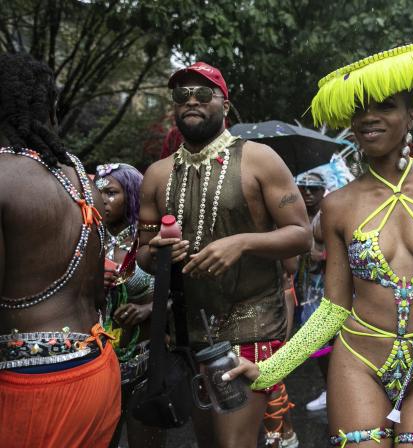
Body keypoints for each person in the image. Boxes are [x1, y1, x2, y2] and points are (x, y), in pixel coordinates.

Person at [224, 42, 413, 446]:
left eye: (384, 106)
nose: (368, 118)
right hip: (358, 362)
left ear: (410, 115)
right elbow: (333, 309)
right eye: (359, 110)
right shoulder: (337, 205)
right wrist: (270, 369)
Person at [136, 61, 311, 448]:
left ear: (225, 105)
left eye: (203, 94)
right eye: (182, 95)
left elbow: (302, 236)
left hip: (251, 323)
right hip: (186, 334)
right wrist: (158, 252)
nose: (191, 101)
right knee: (210, 443)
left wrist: (242, 242)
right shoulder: (157, 174)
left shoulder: (260, 159)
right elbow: (143, 254)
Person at [0, 52, 120, 448]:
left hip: (33, 387)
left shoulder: (3, 177)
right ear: (49, 107)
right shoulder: (82, 181)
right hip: (97, 368)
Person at [95, 163, 164, 448]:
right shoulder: (86, 238)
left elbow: (182, 291)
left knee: (145, 441)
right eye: (98, 193)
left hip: (143, 361)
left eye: (111, 193)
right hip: (97, 365)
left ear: (133, 195)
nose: (103, 201)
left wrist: (149, 309)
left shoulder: (149, 241)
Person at [294, 170, 330, 412]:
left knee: (332, 343)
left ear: (322, 191)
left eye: (313, 189)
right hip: (305, 290)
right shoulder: (295, 215)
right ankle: (329, 387)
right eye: (302, 187)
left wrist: (319, 254)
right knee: (315, 345)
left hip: (329, 289)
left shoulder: (328, 214)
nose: (307, 192)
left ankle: (334, 389)